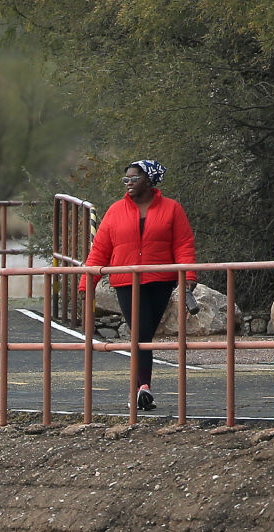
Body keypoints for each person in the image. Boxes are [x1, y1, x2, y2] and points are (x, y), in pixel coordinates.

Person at [80, 158, 197, 410]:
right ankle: (143, 387)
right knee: (141, 333)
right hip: (126, 282)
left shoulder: (172, 209)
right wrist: (86, 282)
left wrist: (188, 278)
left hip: (161, 281)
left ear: (149, 181)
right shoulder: (115, 211)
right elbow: (100, 249)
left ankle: (139, 389)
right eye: (126, 179)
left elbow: (183, 245)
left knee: (145, 335)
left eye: (135, 178)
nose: (129, 183)